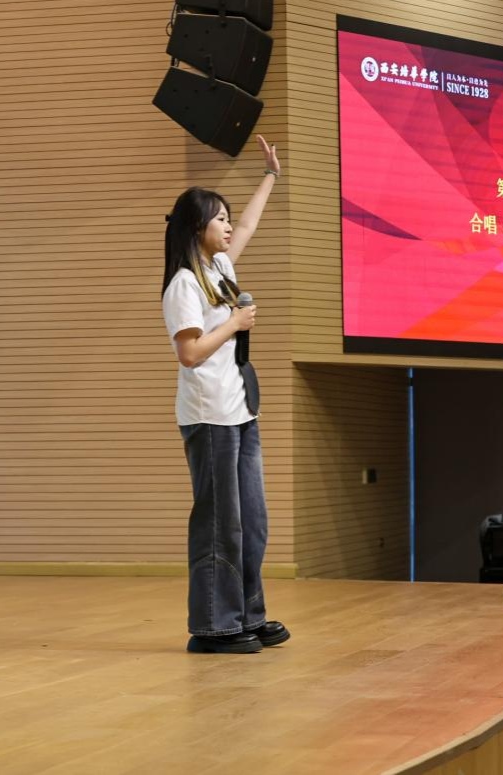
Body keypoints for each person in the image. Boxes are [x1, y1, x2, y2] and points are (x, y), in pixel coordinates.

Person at [160, 136, 290, 655]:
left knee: (252, 522)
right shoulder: (184, 284)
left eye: (228, 218)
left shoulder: (219, 269)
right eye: (220, 219)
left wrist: (271, 175)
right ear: (198, 227)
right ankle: (213, 627)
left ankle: (248, 616)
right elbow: (189, 353)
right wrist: (234, 324)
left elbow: (251, 226)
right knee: (220, 525)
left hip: (240, 411)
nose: (230, 226)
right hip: (209, 415)